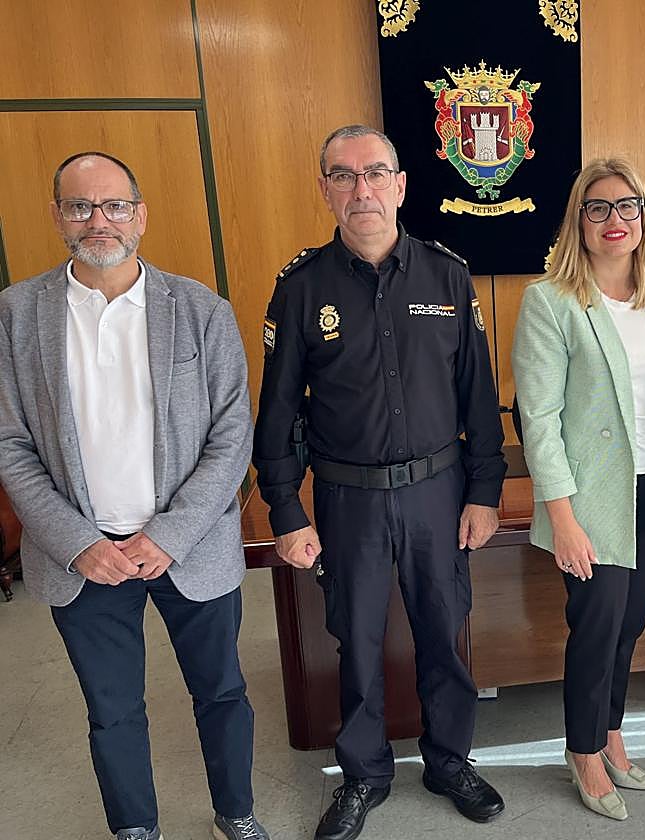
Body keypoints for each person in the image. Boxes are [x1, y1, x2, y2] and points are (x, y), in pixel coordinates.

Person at [0, 152, 267, 840]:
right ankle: (134, 828)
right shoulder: (15, 314)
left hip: (189, 547)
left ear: (140, 216)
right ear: (58, 215)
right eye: (81, 206)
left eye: (114, 205)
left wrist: (169, 535)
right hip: (81, 558)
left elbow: (233, 434)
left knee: (222, 694)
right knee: (112, 707)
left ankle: (236, 814)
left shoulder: (201, 310)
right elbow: (10, 444)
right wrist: (80, 542)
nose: (99, 220)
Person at [252, 125, 507, 838]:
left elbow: (478, 397)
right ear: (326, 189)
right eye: (342, 176)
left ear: (399, 184)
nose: (360, 189)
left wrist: (485, 492)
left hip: (438, 491)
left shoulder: (448, 274)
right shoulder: (302, 288)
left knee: (442, 631)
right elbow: (276, 411)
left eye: (374, 174)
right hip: (347, 498)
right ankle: (364, 776)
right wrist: (284, 509)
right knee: (357, 642)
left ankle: (449, 759)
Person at [511, 158, 645, 821]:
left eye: (628, 206)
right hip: (590, 497)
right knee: (596, 628)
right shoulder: (551, 300)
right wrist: (561, 518)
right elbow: (536, 420)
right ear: (579, 222)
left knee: (629, 624)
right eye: (598, 208)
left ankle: (612, 729)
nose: (614, 220)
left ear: (643, 216)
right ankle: (584, 751)